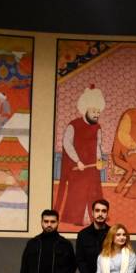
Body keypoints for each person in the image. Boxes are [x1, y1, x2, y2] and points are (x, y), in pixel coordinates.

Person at [56, 85, 106, 225]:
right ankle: (75, 218)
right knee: (78, 192)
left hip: (92, 167)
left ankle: (94, 219)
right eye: (94, 111)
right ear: (86, 109)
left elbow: (98, 146)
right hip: (77, 167)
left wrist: (99, 160)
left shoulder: (98, 127)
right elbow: (67, 144)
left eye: (98, 112)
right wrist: (77, 161)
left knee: (94, 192)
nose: (96, 114)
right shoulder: (73, 125)